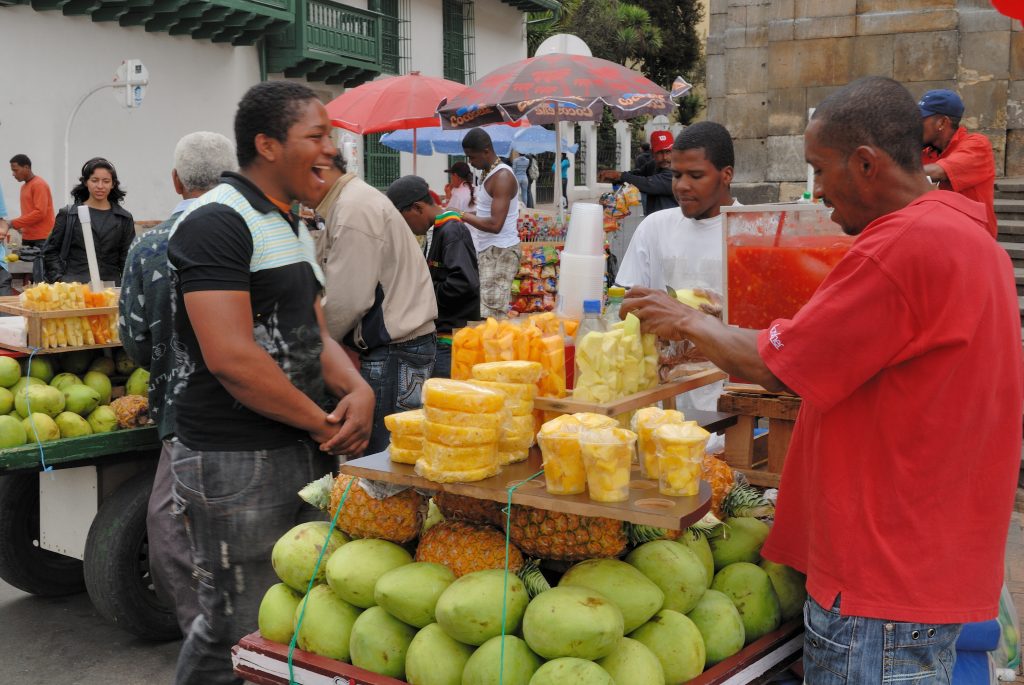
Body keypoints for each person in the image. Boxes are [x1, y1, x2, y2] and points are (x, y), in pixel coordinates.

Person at [622, 76, 1023, 683]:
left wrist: (680, 317)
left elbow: (776, 365)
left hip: (879, 577)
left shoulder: (899, 248)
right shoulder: (968, 235)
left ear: (865, 163)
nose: (818, 191)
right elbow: (825, 348)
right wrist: (714, 328)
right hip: (930, 558)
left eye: (820, 169)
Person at [165, 81, 375, 685]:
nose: (332, 150)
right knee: (240, 632)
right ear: (266, 144)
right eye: (316, 136)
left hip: (296, 447)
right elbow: (232, 357)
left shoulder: (289, 224)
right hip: (236, 461)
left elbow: (311, 336)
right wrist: (322, 420)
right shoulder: (215, 223)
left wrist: (355, 391)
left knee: (284, 631)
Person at [118, 131, 237, 638]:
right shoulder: (256, 233)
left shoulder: (148, 247)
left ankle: (203, 632)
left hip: (182, 412)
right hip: (259, 410)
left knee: (170, 523)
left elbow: (135, 339)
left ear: (175, 181)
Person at [313, 152, 436, 455]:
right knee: (399, 454)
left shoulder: (354, 208)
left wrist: (313, 343)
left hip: (396, 350)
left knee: (384, 461)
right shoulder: (352, 202)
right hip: (404, 346)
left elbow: (348, 300)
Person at [615, 122, 736, 293]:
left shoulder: (755, 234)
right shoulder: (654, 227)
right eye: (676, 175)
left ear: (726, 175)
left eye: (695, 176)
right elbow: (622, 302)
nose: (681, 186)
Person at [386, 175, 479, 378]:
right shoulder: (436, 231)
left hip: (453, 342)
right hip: (441, 340)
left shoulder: (452, 231)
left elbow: (464, 283)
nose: (404, 227)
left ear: (418, 208)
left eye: (403, 219)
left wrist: (421, 292)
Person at [459, 127, 521, 319]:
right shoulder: (487, 173)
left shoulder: (502, 177)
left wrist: (461, 214)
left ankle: (495, 349)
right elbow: (485, 211)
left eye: (472, 157)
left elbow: (495, 225)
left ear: (486, 151)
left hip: (501, 251)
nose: (470, 163)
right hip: (489, 249)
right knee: (484, 310)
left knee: (492, 314)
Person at [920, 89, 998, 238]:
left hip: (974, 243)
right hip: (940, 238)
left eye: (921, 118)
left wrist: (890, 173)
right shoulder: (926, 150)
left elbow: (938, 171)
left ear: (942, 122)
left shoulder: (977, 145)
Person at [43, 157, 134, 284]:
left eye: (106, 181)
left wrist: (127, 288)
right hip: (74, 289)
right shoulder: (69, 215)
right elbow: (50, 252)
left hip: (111, 289)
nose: (100, 186)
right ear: (86, 182)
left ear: (113, 184)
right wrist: (60, 280)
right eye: (94, 180)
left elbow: (127, 259)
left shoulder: (124, 218)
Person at [600, 130, 675, 215]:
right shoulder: (653, 164)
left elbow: (648, 183)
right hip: (653, 220)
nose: (665, 157)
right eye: (660, 152)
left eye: (668, 152)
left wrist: (620, 176)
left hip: (672, 223)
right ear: (652, 153)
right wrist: (615, 178)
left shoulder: (677, 171)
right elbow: (636, 174)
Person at [2, 154, 54, 247]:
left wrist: (13, 223)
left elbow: (40, 212)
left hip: (42, 238)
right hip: (27, 237)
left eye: (15, 170)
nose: (13, 174)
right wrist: (21, 226)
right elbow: (28, 212)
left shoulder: (39, 184)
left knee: (40, 262)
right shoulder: (24, 186)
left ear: (26, 167)